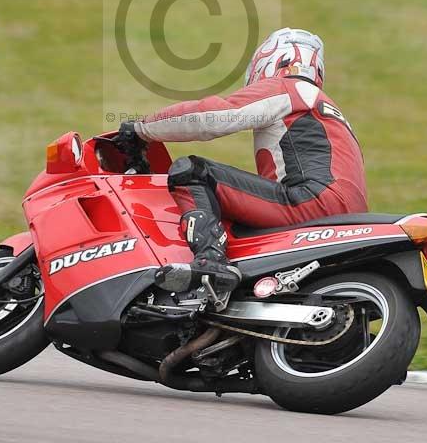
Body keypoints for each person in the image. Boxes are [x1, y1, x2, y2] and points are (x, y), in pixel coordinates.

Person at [116, 28, 367, 296]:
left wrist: (141, 129)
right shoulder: (331, 112)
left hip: (310, 200)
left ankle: (210, 263)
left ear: (271, 61)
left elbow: (213, 116)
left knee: (194, 172)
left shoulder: (290, 88)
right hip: (349, 216)